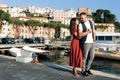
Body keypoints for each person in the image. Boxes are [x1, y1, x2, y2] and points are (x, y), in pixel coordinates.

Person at [78, 12, 96, 77]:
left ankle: (87, 69)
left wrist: (94, 39)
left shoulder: (91, 22)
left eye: (82, 18)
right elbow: (79, 34)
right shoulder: (80, 25)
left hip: (92, 42)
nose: (81, 19)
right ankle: (83, 71)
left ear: (86, 17)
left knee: (92, 56)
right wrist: (88, 32)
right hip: (85, 43)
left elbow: (94, 31)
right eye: (80, 18)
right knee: (84, 57)